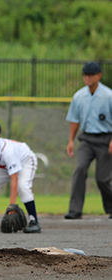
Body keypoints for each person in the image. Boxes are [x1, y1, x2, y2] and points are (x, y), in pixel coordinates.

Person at [64, 61, 112, 220]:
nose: (88, 77)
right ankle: (75, 210)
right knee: (80, 170)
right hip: (86, 139)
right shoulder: (79, 96)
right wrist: (71, 140)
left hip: (106, 139)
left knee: (102, 178)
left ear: (99, 76)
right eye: (85, 74)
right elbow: (74, 120)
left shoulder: (108, 95)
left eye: (91, 74)